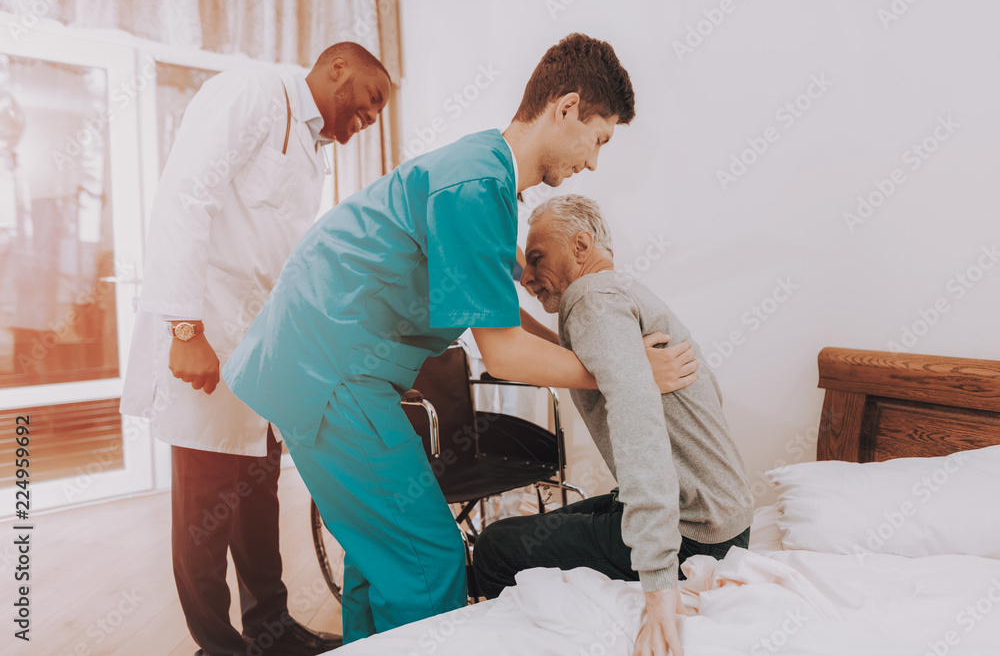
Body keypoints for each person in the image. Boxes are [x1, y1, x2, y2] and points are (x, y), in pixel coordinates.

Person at [222, 33, 698, 644]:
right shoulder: (477, 186)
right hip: (330, 370)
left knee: (381, 557)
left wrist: (580, 349)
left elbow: (495, 316)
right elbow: (500, 353)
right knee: (429, 558)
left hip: (322, 363)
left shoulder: (484, 173)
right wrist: (626, 369)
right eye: (599, 139)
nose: (594, 162)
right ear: (568, 107)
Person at [121, 42, 391, 656]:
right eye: (372, 99)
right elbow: (185, 199)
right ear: (338, 68)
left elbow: (281, 255)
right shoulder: (253, 92)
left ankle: (271, 631)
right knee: (206, 498)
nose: (372, 117)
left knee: (257, 489)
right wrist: (186, 330)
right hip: (208, 332)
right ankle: (216, 645)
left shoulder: (314, 150)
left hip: (263, 349)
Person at [473, 195, 755, 656]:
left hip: (692, 536)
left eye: (538, 257)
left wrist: (659, 578)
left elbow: (637, 425)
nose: (526, 277)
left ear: (580, 246)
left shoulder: (590, 298)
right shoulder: (618, 292)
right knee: (533, 530)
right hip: (723, 521)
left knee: (494, 547)